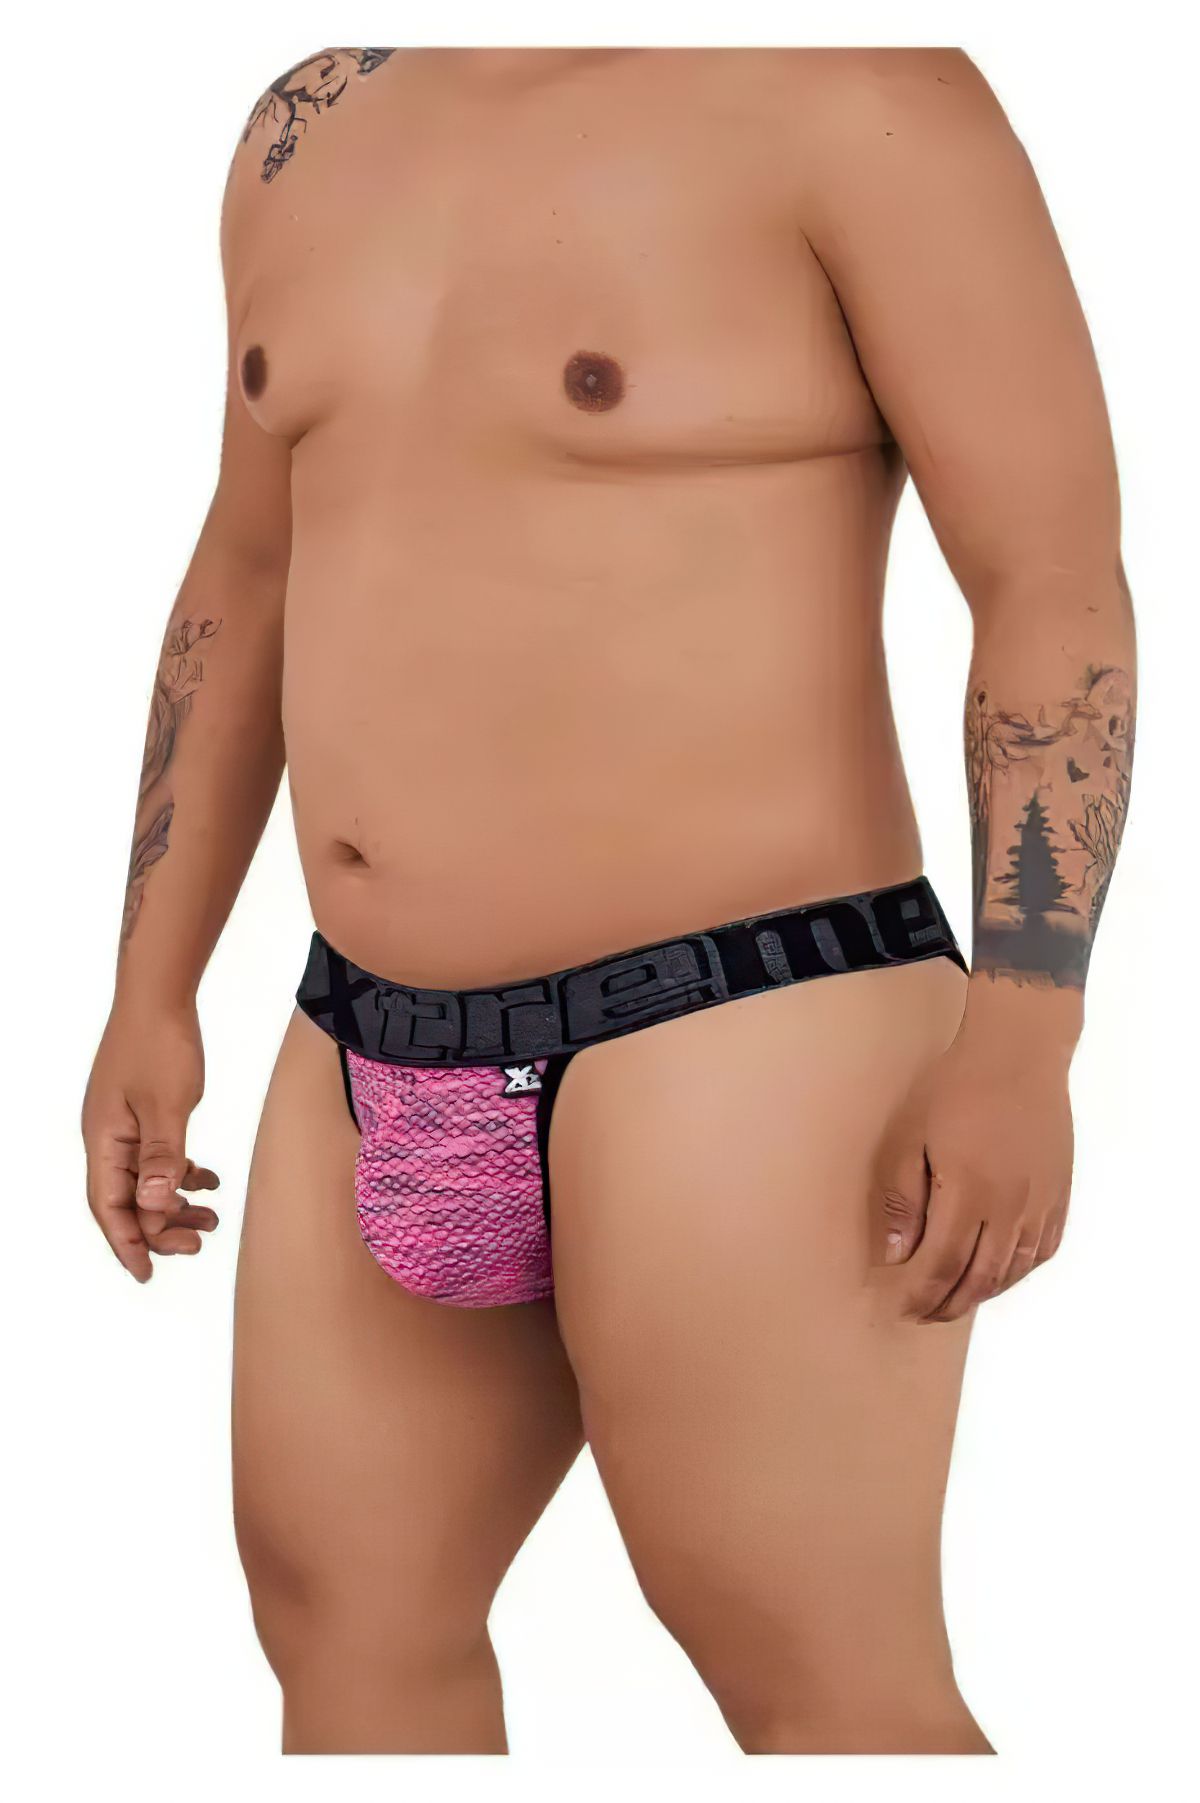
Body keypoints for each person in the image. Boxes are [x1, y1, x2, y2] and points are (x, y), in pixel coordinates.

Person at [81, 48, 1134, 1754]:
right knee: (348, 1625)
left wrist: (1029, 1025)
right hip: (364, 1032)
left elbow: (1051, 580)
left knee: (818, 1674)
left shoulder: (855, 95)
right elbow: (248, 570)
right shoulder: (309, 126)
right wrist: (151, 984)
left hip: (746, 1017)